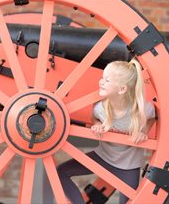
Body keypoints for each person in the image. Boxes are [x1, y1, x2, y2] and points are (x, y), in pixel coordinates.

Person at [57, 59, 156, 204]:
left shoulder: (143, 109)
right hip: (103, 158)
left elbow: (152, 118)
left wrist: (144, 132)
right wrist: (96, 124)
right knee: (61, 171)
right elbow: (94, 118)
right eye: (102, 77)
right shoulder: (100, 109)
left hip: (129, 166)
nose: (101, 82)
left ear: (122, 89)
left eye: (107, 80)